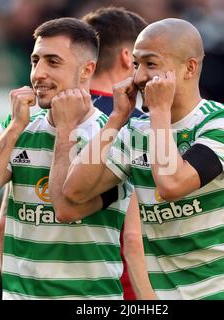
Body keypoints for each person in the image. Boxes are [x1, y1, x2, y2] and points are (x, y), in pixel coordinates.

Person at [61, 18, 224, 299]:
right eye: (136, 65)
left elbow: (172, 184)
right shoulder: (136, 131)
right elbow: (75, 190)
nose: (138, 77)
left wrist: (159, 112)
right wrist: (116, 118)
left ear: (189, 68)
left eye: (151, 64)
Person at [0, 17, 150, 299]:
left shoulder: (114, 136)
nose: (38, 73)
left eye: (53, 62)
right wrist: (14, 130)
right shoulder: (19, 126)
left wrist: (65, 130)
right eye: (35, 60)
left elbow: (67, 208)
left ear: (87, 70)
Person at [82, 6, 147, 300]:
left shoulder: (46, 119)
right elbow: (135, 237)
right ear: (126, 57)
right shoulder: (139, 125)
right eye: (145, 58)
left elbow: (3, 223)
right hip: (120, 287)